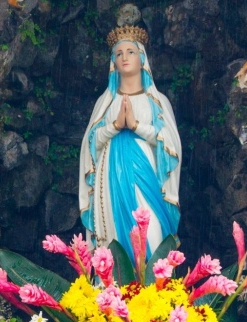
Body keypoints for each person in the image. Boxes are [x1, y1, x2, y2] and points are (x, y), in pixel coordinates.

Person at [78, 25, 182, 264]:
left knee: (152, 229)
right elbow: (90, 144)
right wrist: (115, 126)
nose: (124, 57)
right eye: (119, 53)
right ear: (113, 61)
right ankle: (113, 292)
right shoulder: (106, 102)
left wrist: (136, 126)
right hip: (111, 176)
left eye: (130, 52)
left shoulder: (156, 101)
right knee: (115, 232)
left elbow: (171, 145)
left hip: (147, 173)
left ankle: (155, 292)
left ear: (142, 58)